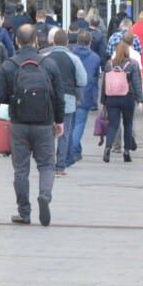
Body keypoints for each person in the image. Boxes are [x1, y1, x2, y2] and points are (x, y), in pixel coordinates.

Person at [0, 24, 64, 226]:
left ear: (17, 41)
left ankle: (24, 212)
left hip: (19, 124)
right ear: (36, 41)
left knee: (21, 169)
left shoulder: (9, 65)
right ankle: (45, 196)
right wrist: (59, 121)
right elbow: (59, 97)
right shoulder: (48, 64)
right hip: (44, 124)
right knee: (47, 165)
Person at [45, 29, 87, 177]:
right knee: (64, 133)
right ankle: (60, 167)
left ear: (53, 41)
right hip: (67, 99)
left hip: (47, 100)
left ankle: (47, 165)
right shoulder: (74, 59)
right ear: (67, 42)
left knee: (48, 133)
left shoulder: (45, 57)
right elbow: (82, 80)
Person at [100, 40, 143, 163]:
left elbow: (104, 83)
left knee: (113, 124)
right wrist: (139, 99)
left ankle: (107, 148)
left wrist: (103, 100)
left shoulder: (109, 64)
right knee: (128, 124)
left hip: (111, 98)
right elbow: (136, 83)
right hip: (127, 97)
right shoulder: (132, 64)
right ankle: (126, 152)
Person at [69, 30, 101, 168]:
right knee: (80, 124)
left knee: (71, 123)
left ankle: (75, 148)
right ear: (90, 42)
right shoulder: (95, 57)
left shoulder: (70, 54)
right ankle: (74, 149)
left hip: (71, 91)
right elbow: (94, 79)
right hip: (86, 93)